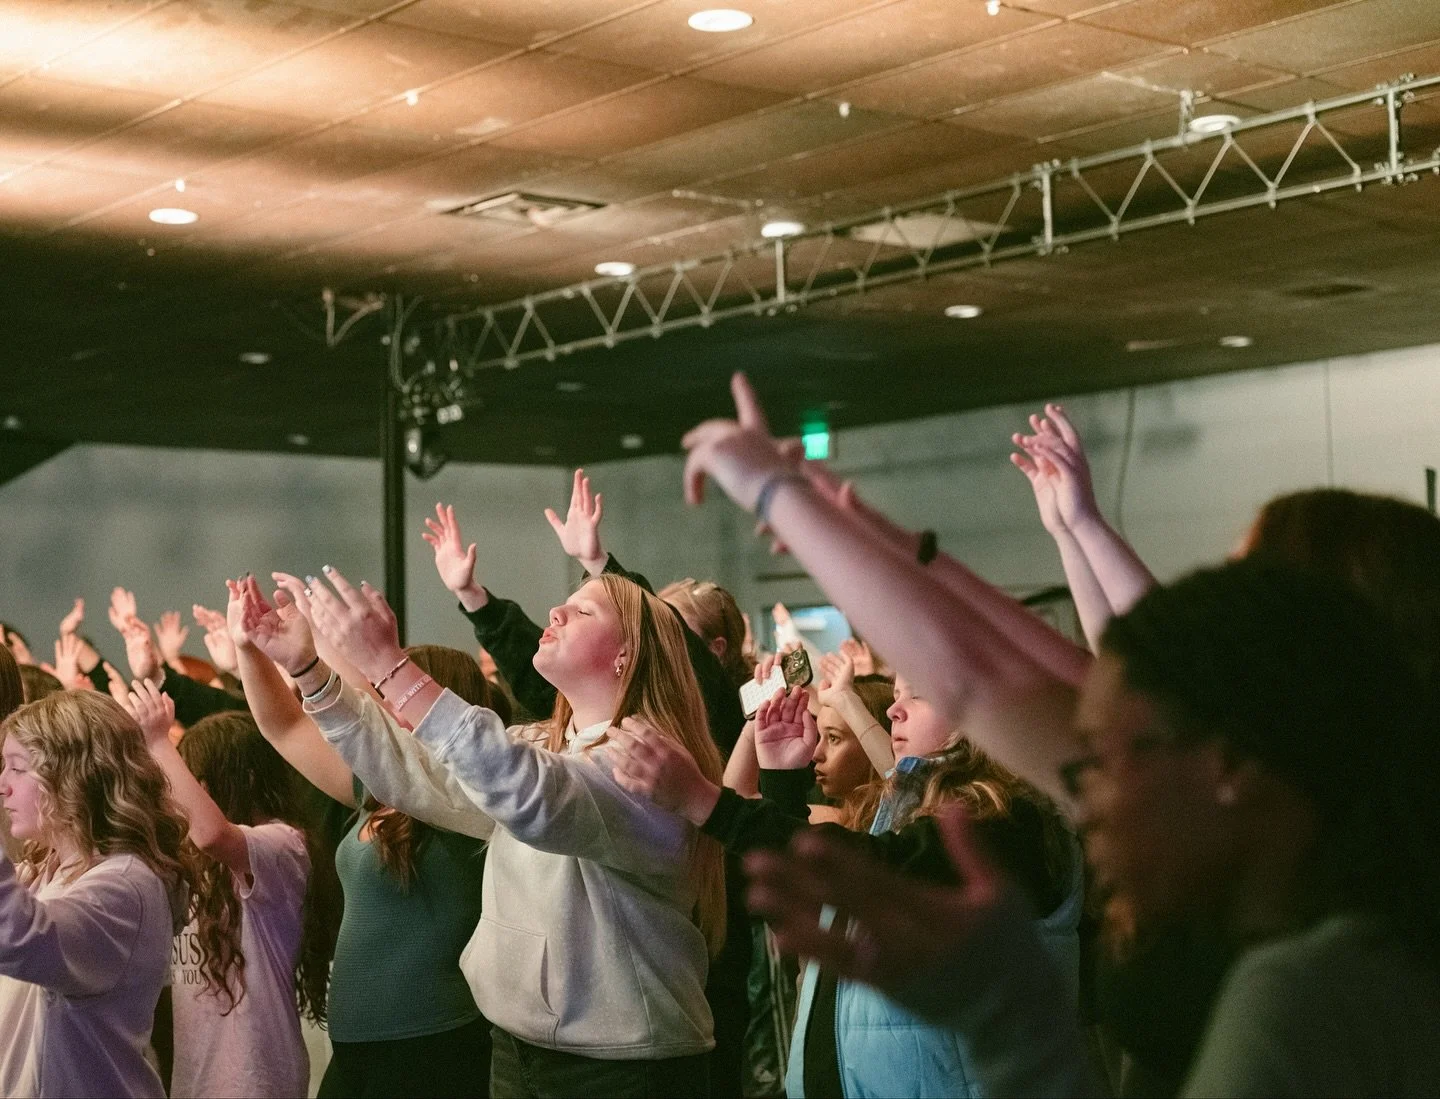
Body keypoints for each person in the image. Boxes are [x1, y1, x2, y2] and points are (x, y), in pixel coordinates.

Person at [746, 561, 1440, 1097]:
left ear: (1227, 762)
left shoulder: (1304, 989)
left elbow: (989, 685)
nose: (1086, 795)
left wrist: (1012, 1024)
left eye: (1112, 756)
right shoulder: (1311, 945)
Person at [237, 564, 726, 1098]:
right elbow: (414, 772)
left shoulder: (648, 762)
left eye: (584, 610)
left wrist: (388, 665)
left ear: (626, 655)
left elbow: (532, 793)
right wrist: (308, 670)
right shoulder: (540, 741)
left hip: (622, 1066)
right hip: (518, 1049)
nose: (556, 612)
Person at [610, 679, 1080, 1099]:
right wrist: (782, 782)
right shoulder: (899, 808)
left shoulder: (1011, 819)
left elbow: (866, 869)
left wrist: (705, 801)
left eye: (919, 693)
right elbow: (801, 903)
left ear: (985, 717)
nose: (895, 710)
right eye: (895, 696)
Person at [227, 580, 495, 1099]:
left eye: (397, 690)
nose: (382, 701)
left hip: (432, 1048)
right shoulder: (377, 791)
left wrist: (324, 653)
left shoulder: (467, 802)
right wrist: (248, 646)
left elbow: (356, 709)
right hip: (360, 1046)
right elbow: (283, 726)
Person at [127, 682, 338, 1099]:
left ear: (243, 779)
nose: (183, 795)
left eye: (197, 781)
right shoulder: (195, 864)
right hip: (195, 1080)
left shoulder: (283, 844)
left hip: (256, 1078)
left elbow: (212, 835)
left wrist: (158, 740)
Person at [0, 690, 197, 1098]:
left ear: (73, 776)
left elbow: (18, 936)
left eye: (16, 768)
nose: (3, 786)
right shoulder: (47, 870)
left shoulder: (125, 886)